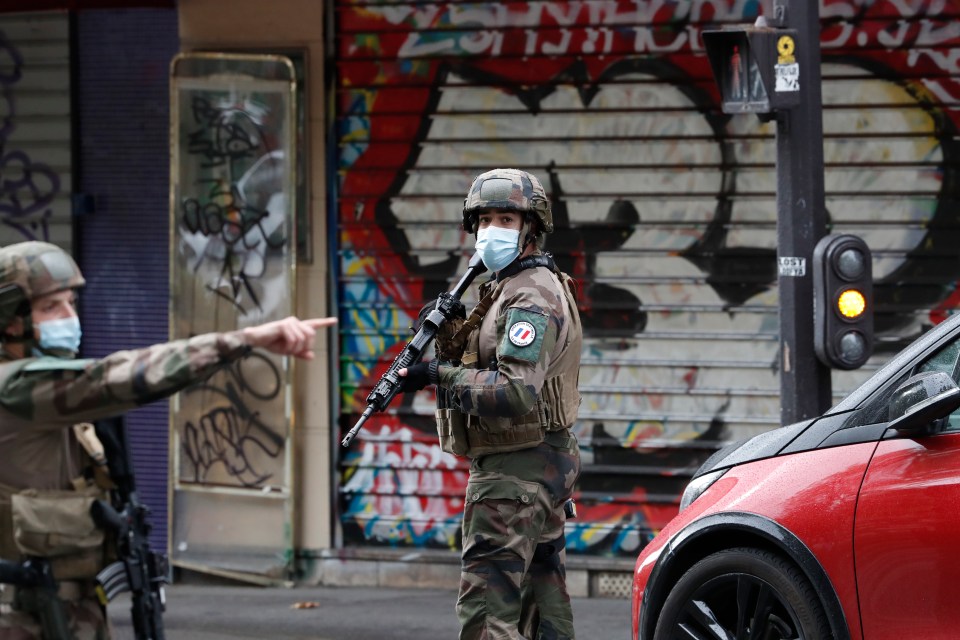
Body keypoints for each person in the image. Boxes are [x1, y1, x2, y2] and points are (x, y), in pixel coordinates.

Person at [0, 240, 336, 639]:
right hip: (23, 612)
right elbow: (118, 377)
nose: (69, 317)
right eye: (51, 308)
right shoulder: (17, 388)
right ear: (11, 320)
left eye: (71, 303)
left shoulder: (45, 395)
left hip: (65, 603)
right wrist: (244, 340)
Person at [399, 168, 583, 640]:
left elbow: (515, 390)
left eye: (505, 218)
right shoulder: (510, 285)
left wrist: (437, 376)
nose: (491, 231)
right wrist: (449, 338)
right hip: (535, 462)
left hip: (515, 470)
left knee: (486, 612)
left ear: (531, 227)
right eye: (483, 220)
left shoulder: (529, 296)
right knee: (542, 608)